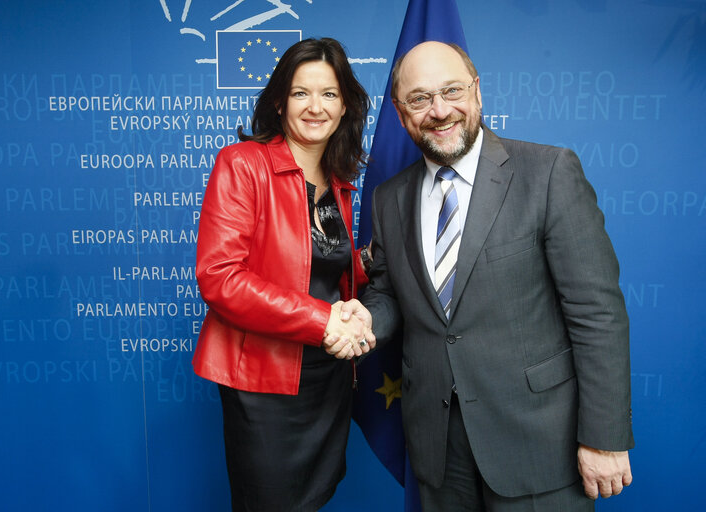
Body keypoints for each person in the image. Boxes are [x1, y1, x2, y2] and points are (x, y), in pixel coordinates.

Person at [340, 41, 634, 511]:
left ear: (477, 92)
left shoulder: (549, 171)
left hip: (539, 442)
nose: (439, 110)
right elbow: (391, 295)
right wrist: (365, 320)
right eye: (419, 99)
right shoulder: (389, 198)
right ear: (399, 113)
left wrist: (603, 437)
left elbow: (597, 313)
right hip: (439, 450)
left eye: (451, 90)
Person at [192, 37, 375, 511]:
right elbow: (221, 278)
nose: (316, 107)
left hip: (326, 377)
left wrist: (365, 265)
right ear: (279, 102)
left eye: (330, 94)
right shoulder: (242, 164)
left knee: (314, 499)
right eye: (301, 93)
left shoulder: (338, 179)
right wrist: (323, 321)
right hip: (264, 382)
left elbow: (315, 266)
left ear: (345, 106)